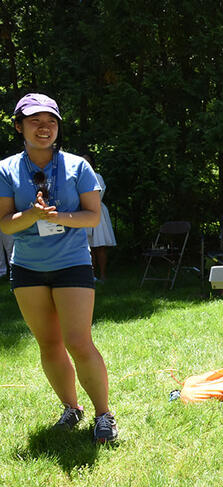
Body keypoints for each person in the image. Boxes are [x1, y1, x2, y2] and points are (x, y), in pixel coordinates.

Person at [0, 93, 117, 443]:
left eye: (50, 121)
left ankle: (104, 414)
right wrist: (32, 216)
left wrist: (58, 216)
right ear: (19, 126)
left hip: (71, 264)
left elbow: (93, 215)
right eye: (35, 121)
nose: (44, 128)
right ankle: (71, 408)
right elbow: (5, 224)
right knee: (49, 344)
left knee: (79, 342)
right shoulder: (6, 169)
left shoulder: (77, 166)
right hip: (28, 268)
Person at [82, 154, 116, 282]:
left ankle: (103, 274)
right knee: (88, 246)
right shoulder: (75, 177)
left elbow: (98, 194)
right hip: (82, 214)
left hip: (97, 213)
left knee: (100, 245)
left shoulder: (97, 177)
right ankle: (91, 275)